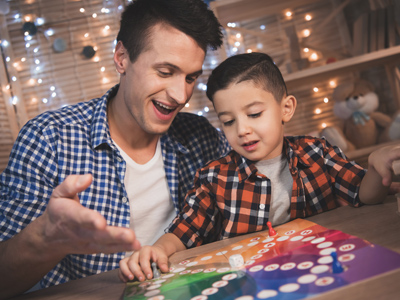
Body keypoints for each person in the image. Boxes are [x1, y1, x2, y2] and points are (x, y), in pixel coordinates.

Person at [0, 0, 231, 298]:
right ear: (122, 58)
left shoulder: (202, 137)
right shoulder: (49, 139)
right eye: (165, 71)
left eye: (190, 77)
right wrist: (47, 238)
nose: (180, 94)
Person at [118, 52, 400, 283]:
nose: (242, 130)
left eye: (254, 114)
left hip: (327, 270)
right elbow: (183, 232)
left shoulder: (317, 152)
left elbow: (365, 194)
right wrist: (156, 250)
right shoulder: (213, 178)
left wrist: (376, 167)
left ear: (286, 109)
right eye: (228, 121)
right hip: (252, 282)